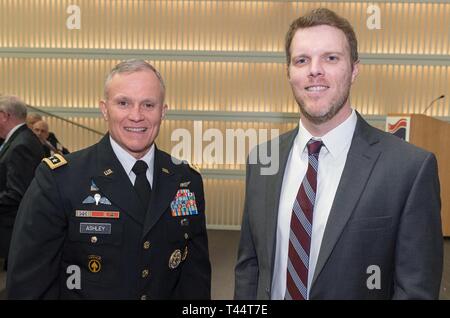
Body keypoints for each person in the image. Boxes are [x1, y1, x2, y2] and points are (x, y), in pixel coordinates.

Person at [234, 8, 443, 300]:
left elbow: (415, 288)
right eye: (302, 60)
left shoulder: (408, 169)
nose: (314, 70)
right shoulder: (262, 160)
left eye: (331, 58)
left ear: (355, 69)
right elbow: (250, 266)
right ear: (288, 72)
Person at [7, 59, 211, 299]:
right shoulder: (60, 179)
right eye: (123, 103)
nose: (136, 116)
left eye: (148, 104)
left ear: (163, 111)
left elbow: (194, 281)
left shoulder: (185, 180)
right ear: (104, 109)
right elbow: (29, 284)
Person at [0, 96, 44, 271]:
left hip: (14, 230)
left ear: (4, 115)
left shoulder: (21, 145)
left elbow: (17, 193)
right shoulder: (21, 139)